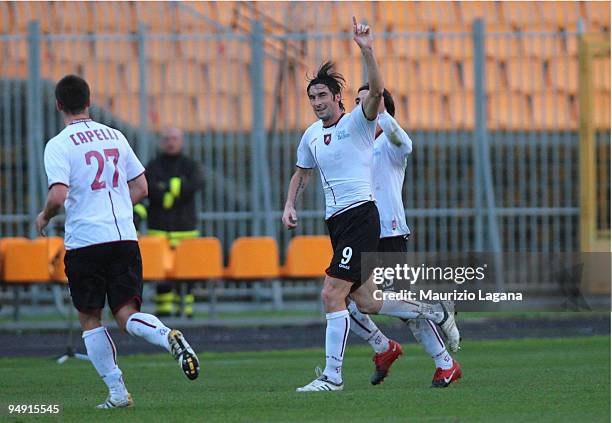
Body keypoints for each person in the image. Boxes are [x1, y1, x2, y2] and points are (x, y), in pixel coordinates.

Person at [282, 17, 460, 393]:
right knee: (364, 301)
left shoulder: (368, 130)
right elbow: (302, 172)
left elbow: (380, 99)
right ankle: (417, 323)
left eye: (323, 97)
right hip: (341, 223)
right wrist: (289, 203)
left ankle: (333, 376)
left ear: (339, 99)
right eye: (312, 98)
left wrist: (366, 49)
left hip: (370, 221)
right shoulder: (312, 135)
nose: (316, 103)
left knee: (332, 294)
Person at [36, 75, 200, 409]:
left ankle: (117, 392)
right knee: (127, 313)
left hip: (85, 241)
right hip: (124, 237)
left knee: (90, 319)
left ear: (58, 105)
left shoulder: (59, 144)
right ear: (89, 101)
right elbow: (141, 188)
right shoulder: (115, 136)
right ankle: (166, 335)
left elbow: (58, 193)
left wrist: (45, 216)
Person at [346, 85, 461, 388]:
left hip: (388, 234)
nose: (358, 108)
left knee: (399, 307)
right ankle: (385, 347)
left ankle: (443, 356)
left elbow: (405, 142)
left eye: (364, 102)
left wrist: (381, 115)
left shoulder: (389, 144)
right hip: (360, 234)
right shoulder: (355, 146)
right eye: (355, 102)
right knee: (344, 301)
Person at [136, 127, 203, 318]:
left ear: (181, 141)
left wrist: (166, 191)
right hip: (159, 229)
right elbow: (150, 189)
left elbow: (195, 184)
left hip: (185, 229)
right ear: (160, 142)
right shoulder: (153, 166)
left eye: (174, 138)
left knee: (187, 272)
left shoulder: (190, 165)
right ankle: (164, 313)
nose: (170, 142)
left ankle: (187, 310)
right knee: (161, 272)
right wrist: (176, 187)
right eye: (166, 138)